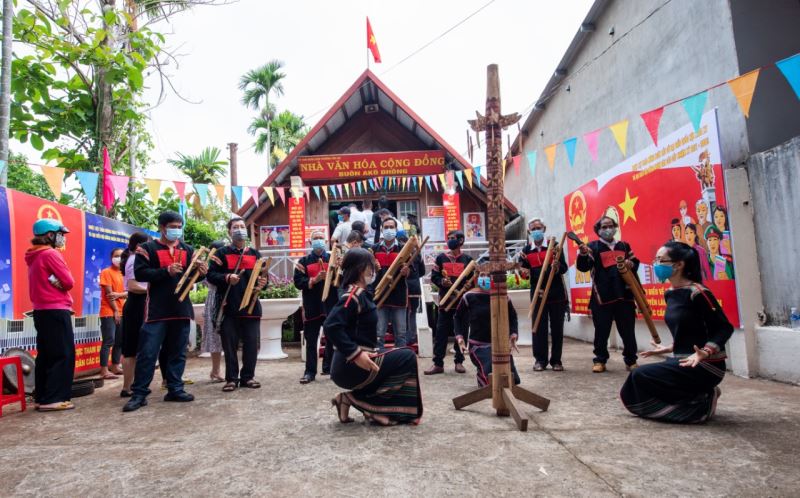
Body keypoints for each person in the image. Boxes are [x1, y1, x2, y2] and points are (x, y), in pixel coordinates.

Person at [620, 242, 733, 423]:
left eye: (660, 260)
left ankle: (702, 402)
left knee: (639, 375)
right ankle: (697, 395)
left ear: (679, 265)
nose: (656, 264)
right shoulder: (671, 293)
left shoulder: (698, 292)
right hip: (683, 359)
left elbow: (724, 327)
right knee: (636, 385)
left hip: (707, 365)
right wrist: (668, 348)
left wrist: (706, 352)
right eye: (655, 259)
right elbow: (691, 330)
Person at [324, 248, 423, 426]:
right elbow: (331, 326)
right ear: (361, 268)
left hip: (364, 359)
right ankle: (372, 408)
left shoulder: (363, 294)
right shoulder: (352, 296)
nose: (374, 270)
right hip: (349, 366)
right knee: (407, 357)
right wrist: (355, 353)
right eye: (371, 265)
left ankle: (357, 402)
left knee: (399, 355)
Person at [124, 210, 206, 412]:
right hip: (156, 310)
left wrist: (201, 273)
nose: (176, 231)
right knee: (148, 353)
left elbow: (191, 278)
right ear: (162, 228)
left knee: (178, 352)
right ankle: (139, 394)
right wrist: (166, 271)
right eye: (173, 227)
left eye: (179, 227)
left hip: (181, 308)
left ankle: (175, 388)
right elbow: (141, 274)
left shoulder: (188, 250)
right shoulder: (147, 248)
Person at [207, 218, 268, 392]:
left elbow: (265, 278)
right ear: (229, 232)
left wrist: (263, 283)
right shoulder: (220, 254)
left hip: (251, 307)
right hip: (229, 307)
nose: (239, 230)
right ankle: (231, 378)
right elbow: (211, 275)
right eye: (235, 227)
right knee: (229, 345)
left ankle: (248, 377)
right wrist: (226, 278)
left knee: (251, 344)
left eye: (242, 227)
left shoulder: (256, 254)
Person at [576, 216, 639, 373]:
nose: (607, 229)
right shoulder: (592, 247)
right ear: (598, 230)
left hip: (624, 295)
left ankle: (631, 361)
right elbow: (583, 267)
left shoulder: (624, 245)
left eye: (610, 226)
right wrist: (583, 255)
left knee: (628, 330)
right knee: (601, 331)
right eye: (604, 227)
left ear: (615, 227)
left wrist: (632, 264)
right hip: (602, 296)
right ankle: (600, 360)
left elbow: (635, 262)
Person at [26, 219, 76, 412]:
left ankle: (42, 397)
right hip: (56, 309)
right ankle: (53, 399)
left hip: (41, 310)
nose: (62, 238)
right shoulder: (50, 253)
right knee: (62, 354)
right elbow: (69, 281)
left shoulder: (33, 255)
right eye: (60, 234)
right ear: (49, 235)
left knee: (46, 355)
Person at [454, 272, 520, 387]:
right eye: (482, 275)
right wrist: (460, 337)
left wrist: (513, 334)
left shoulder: (503, 297)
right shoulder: (468, 296)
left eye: (487, 276)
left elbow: (513, 317)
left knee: (511, 377)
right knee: (491, 371)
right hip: (477, 346)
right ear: (477, 277)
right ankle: (482, 377)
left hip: (499, 345)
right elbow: (457, 317)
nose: (484, 278)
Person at [519, 217, 568, 371]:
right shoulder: (526, 251)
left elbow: (564, 268)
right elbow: (524, 273)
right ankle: (540, 360)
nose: (536, 231)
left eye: (538, 228)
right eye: (533, 229)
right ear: (529, 232)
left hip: (556, 293)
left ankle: (556, 361)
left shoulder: (555, 247)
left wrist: (557, 265)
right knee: (538, 327)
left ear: (544, 229)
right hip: (538, 293)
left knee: (557, 328)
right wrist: (524, 272)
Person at [293, 230, 338, 384]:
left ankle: (330, 368)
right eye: (315, 238)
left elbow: (342, 279)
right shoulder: (303, 261)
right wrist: (314, 280)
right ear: (310, 242)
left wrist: (333, 275)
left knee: (332, 338)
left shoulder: (333, 259)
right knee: (311, 340)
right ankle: (310, 372)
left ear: (325, 241)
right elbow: (298, 282)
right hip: (312, 305)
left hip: (331, 305)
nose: (319, 240)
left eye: (321, 238)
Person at [425, 230, 472, 375]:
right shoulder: (440, 258)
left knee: (462, 331)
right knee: (441, 333)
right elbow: (434, 276)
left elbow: (472, 280)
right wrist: (441, 282)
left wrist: (470, 285)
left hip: (461, 302)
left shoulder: (468, 260)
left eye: (453, 238)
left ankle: (459, 361)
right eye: (448, 238)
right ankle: (438, 363)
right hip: (445, 302)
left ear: (461, 241)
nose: (450, 241)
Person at [120, 232, 151, 398]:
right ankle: (127, 386)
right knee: (131, 348)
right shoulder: (133, 260)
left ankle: (133, 385)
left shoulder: (136, 259)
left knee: (138, 347)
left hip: (141, 303)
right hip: (136, 304)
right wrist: (151, 289)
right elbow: (132, 286)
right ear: (139, 246)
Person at [372, 217, 410, 350]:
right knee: (378, 334)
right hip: (380, 297)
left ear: (396, 229)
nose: (389, 230)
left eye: (391, 227)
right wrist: (374, 270)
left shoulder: (404, 250)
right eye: (386, 227)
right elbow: (367, 275)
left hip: (399, 296)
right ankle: (379, 364)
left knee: (401, 334)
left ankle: (400, 364)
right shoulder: (373, 250)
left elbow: (416, 273)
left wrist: (407, 271)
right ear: (382, 230)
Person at [98, 248, 126, 380]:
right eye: (116, 256)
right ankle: (104, 370)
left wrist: (120, 295)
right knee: (109, 340)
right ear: (111, 257)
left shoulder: (125, 274)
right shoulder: (106, 272)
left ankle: (115, 366)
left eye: (121, 256)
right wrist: (115, 310)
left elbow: (130, 291)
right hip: (109, 312)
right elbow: (109, 295)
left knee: (119, 341)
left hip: (123, 312)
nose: (119, 258)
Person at [201, 240, 227, 383]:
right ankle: (216, 370)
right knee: (214, 336)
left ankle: (224, 370)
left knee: (229, 336)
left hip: (228, 298)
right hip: (215, 300)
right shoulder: (208, 266)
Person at [398, 230, 426, 346]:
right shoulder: (417, 254)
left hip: (405, 287)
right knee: (411, 313)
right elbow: (422, 272)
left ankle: (405, 337)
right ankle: (412, 336)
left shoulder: (401, 254)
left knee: (405, 313)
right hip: (414, 287)